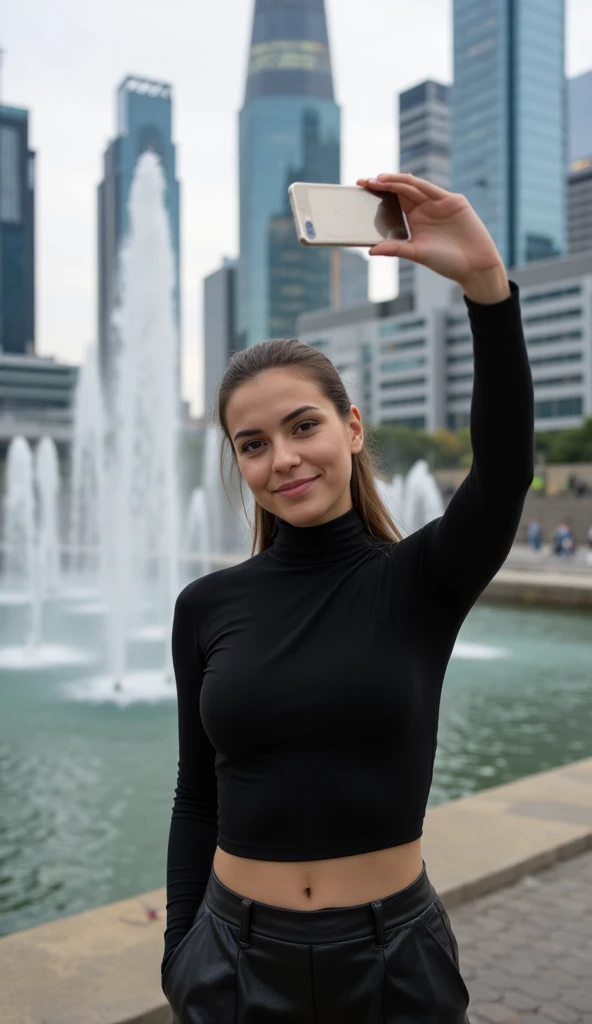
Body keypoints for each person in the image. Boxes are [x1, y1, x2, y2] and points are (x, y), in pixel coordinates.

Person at [161, 172, 535, 1023]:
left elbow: (506, 467)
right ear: (239, 464)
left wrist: (485, 285)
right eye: (252, 444)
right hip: (231, 957)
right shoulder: (206, 607)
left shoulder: (421, 581)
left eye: (303, 427)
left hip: (392, 958)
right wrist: (181, 951)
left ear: (352, 429)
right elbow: (196, 794)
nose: (282, 459)